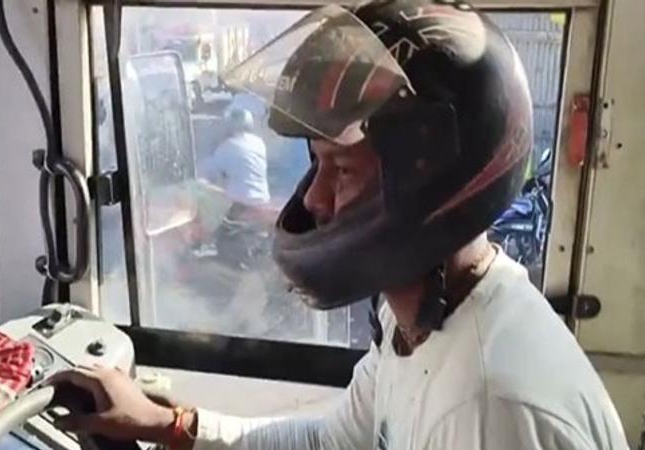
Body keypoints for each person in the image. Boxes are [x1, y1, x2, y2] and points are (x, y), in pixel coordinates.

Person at [51, 2, 630, 449]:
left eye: (344, 168)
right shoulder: (420, 317)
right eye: (316, 163)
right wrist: (167, 424)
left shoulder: (485, 407)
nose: (317, 199)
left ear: (431, 183)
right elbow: (335, 440)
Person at [196, 107, 271, 267]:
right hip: (262, 200)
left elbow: (207, 171)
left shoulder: (228, 146)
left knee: (218, 228)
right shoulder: (259, 143)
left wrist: (199, 176)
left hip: (240, 203)